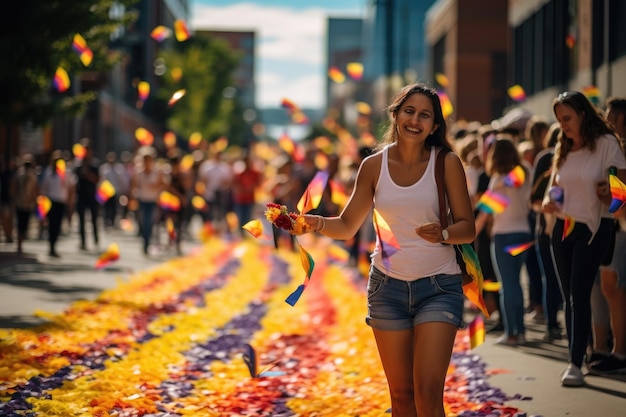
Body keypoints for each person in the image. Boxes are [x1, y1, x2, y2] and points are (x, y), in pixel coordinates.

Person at [303, 83, 475, 416]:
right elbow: (348, 224)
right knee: (401, 396)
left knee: (427, 394)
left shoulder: (447, 162)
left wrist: (443, 233)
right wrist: (317, 223)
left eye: (425, 115)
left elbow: (467, 228)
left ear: (435, 126)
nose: (415, 120)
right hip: (387, 289)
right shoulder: (373, 166)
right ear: (395, 115)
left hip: (439, 287)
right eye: (409, 111)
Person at [542, 91, 626, 386]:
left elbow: (620, 194)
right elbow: (556, 185)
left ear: (582, 114)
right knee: (571, 298)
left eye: (566, 118)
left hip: (594, 227)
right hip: (563, 227)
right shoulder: (563, 147)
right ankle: (581, 353)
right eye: (558, 120)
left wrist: (611, 195)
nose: (562, 125)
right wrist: (551, 202)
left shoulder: (606, 144)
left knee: (579, 295)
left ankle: (575, 364)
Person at [475, 138, 532, 346]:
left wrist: (469, 234)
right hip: (524, 233)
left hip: (503, 235)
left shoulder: (498, 179)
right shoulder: (523, 176)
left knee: (508, 286)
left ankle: (512, 333)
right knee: (515, 283)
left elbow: (485, 215)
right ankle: (521, 331)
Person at [588, 96, 626, 374]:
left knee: (612, 289)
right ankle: (605, 348)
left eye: (610, 115)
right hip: (611, 226)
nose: (606, 120)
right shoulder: (612, 148)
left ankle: (619, 351)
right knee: (604, 289)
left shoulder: (617, 150)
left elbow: (619, 197)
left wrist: (610, 198)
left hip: (618, 227)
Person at [530, 123, 563, 342]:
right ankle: (552, 323)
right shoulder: (545, 159)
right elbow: (533, 200)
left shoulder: (581, 158)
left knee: (559, 279)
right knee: (551, 277)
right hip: (548, 228)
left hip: (572, 227)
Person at [130, 146, 166, 255]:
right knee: (143, 222)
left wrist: (155, 187)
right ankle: (145, 242)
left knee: (150, 222)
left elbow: (163, 185)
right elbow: (134, 186)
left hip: (153, 200)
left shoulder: (157, 171)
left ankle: (148, 241)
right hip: (142, 200)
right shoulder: (138, 172)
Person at [40, 150, 76, 257]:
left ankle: (54, 244)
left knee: (57, 225)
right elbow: (44, 189)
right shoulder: (49, 172)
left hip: (61, 202)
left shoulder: (67, 173)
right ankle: (51, 245)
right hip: (51, 201)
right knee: (51, 224)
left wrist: (70, 203)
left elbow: (71, 188)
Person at [74, 139, 100, 250]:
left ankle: (95, 238)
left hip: (92, 195)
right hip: (81, 196)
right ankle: (83, 241)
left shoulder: (95, 165)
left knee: (94, 219)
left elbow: (97, 180)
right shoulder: (78, 165)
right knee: (81, 220)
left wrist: (88, 174)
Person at [11, 153, 39, 254]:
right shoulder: (26, 175)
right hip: (24, 203)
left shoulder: (21, 174)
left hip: (23, 203)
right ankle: (20, 242)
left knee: (21, 223)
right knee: (23, 223)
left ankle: (20, 241)